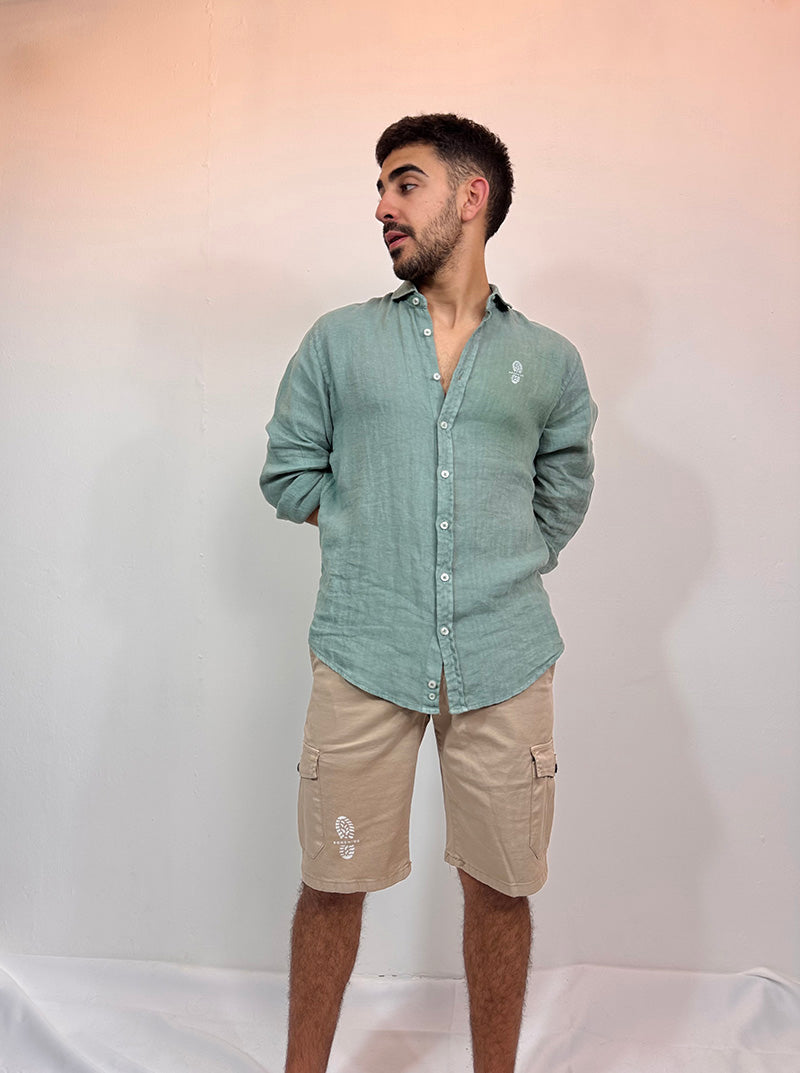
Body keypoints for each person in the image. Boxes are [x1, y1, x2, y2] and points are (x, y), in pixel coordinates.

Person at [260, 113, 597, 1073]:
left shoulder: (550, 360)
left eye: (404, 183)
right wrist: (371, 533)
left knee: (502, 886)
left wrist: (503, 558)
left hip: (506, 655)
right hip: (362, 651)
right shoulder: (339, 342)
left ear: (471, 196)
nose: (382, 206)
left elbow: (564, 490)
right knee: (332, 881)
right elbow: (289, 472)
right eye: (380, 187)